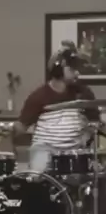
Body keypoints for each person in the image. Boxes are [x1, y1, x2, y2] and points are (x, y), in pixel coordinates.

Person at [13, 42, 98, 171]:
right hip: (44, 149)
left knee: (86, 175)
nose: (77, 73)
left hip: (75, 150)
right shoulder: (38, 96)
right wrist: (10, 131)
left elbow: (95, 123)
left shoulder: (84, 93)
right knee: (38, 172)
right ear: (58, 69)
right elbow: (21, 127)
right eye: (72, 69)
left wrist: (87, 136)